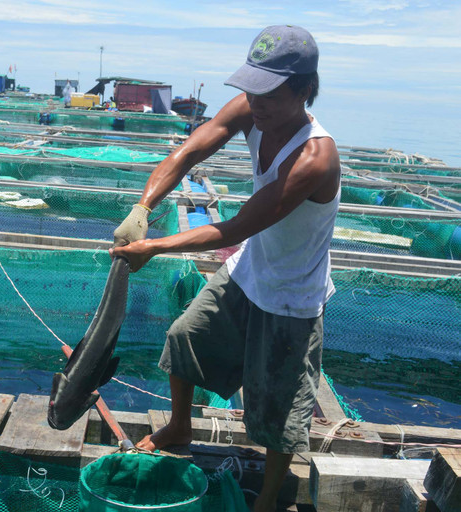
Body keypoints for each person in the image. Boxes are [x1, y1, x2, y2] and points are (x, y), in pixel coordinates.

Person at [110, 25, 340, 512]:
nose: (255, 102)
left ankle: (267, 500)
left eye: (269, 93)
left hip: (292, 296)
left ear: (303, 89)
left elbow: (238, 225)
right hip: (249, 269)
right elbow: (189, 152)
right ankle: (180, 427)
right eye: (251, 89)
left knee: (278, 410)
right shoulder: (249, 111)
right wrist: (142, 208)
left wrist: (155, 247)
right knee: (185, 338)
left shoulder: (315, 157)